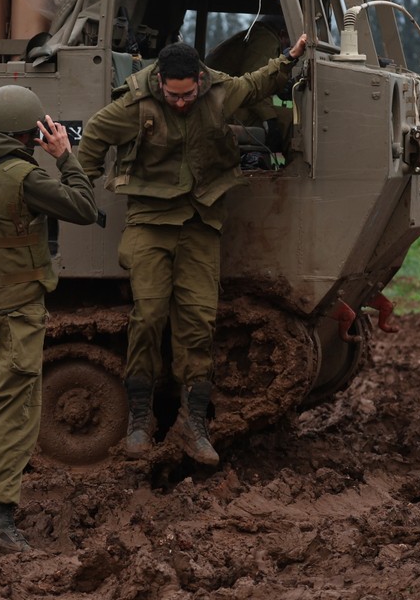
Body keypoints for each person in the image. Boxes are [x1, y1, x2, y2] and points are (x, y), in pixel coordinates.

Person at [76, 33, 308, 465]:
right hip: (149, 221)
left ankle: (193, 422)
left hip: (200, 221)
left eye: (188, 95)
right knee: (148, 316)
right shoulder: (135, 105)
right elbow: (93, 136)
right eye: (172, 95)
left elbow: (257, 84)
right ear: (159, 81)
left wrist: (290, 57)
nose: (181, 102)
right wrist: (78, 185)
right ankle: (140, 420)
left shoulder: (218, 93)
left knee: (199, 321)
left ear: (199, 81)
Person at [0, 84, 98, 555]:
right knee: (15, 414)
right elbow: (84, 208)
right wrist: (65, 156)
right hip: (16, 317)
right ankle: (0, 526)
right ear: (27, 134)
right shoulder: (23, 177)